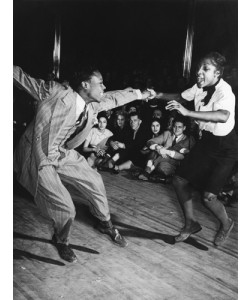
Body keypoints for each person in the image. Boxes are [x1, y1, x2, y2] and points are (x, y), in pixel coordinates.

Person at [13, 65, 156, 262]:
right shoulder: (56, 92)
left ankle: (104, 222)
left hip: (62, 152)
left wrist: (142, 93)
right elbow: (21, 77)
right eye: (100, 83)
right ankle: (61, 240)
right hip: (39, 155)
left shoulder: (92, 104)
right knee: (66, 208)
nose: (104, 87)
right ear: (85, 85)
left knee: (94, 180)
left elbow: (115, 97)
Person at [158, 52, 237, 246]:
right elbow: (180, 96)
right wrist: (156, 94)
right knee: (179, 181)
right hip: (206, 142)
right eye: (199, 68)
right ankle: (190, 223)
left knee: (208, 198)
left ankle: (226, 223)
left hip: (225, 147)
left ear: (217, 73)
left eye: (206, 69)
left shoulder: (225, 91)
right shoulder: (199, 87)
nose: (199, 72)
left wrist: (187, 112)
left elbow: (222, 115)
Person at [138, 116, 195, 182]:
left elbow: (183, 156)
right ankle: (148, 172)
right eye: (174, 126)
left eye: (179, 127)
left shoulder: (188, 140)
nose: (176, 129)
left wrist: (165, 151)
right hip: (159, 160)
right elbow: (150, 142)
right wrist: (158, 148)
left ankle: (148, 172)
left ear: (184, 128)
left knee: (162, 162)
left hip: (173, 165)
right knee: (155, 150)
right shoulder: (167, 134)